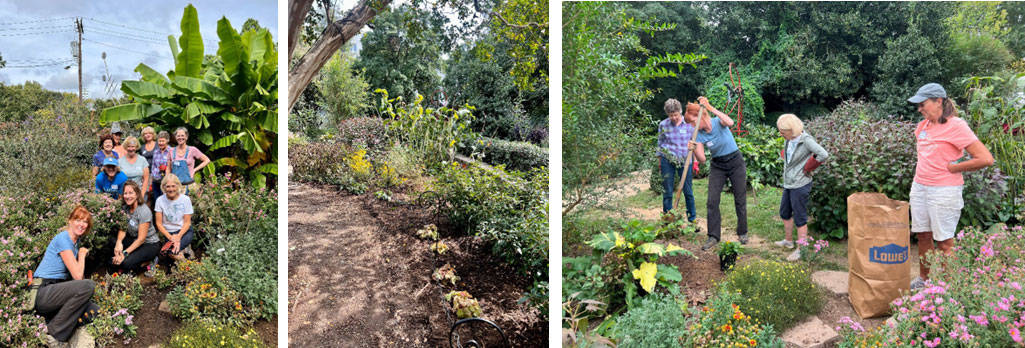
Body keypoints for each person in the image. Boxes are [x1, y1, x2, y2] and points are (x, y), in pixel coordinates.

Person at [906, 83, 993, 289]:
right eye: (918, 106)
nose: (920, 109)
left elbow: (985, 158)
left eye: (923, 104)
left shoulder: (957, 126)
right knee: (923, 235)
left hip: (943, 191)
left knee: (944, 242)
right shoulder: (923, 126)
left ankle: (946, 288)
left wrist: (956, 167)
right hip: (920, 188)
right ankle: (924, 280)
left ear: (939, 101)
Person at [32, 206, 100, 345]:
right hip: (43, 291)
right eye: (78, 220)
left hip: (56, 291)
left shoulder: (75, 243)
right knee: (88, 286)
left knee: (94, 310)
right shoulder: (63, 238)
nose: (82, 224)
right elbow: (77, 277)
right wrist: (81, 255)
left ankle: (56, 323)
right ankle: (53, 334)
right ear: (70, 220)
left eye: (85, 222)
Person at [689, 96, 749, 251]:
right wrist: (694, 148)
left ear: (700, 117)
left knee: (740, 198)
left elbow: (730, 122)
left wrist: (709, 107)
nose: (691, 126)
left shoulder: (717, 122)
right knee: (712, 201)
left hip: (735, 161)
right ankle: (713, 236)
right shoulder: (698, 135)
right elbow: (702, 159)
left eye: (691, 122)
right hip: (718, 165)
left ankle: (742, 232)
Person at [772, 114, 829, 261]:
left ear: (792, 130)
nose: (781, 134)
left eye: (783, 131)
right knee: (784, 212)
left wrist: (809, 167)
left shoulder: (806, 140)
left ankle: (801, 249)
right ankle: (789, 241)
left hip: (800, 183)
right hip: (789, 182)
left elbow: (823, 154)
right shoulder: (789, 139)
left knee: (800, 216)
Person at [657, 99, 698, 223]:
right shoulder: (663, 125)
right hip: (667, 160)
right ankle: (668, 219)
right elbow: (660, 144)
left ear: (680, 112)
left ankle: (692, 219)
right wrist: (660, 162)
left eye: (675, 114)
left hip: (685, 161)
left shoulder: (689, 125)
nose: (673, 117)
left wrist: (695, 161)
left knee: (688, 191)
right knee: (667, 191)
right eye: (671, 115)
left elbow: (695, 144)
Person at [111, 181, 160, 274]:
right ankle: (127, 260)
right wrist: (118, 243)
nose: (127, 196)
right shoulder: (125, 208)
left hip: (149, 244)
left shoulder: (143, 211)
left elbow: (141, 239)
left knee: (126, 263)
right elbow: (123, 228)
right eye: (125, 193)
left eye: (131, 193)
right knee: (112, 241)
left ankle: (150, 261)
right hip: (134, 240)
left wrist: (124, 253)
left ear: (137, 194)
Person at [155, 175, 195, 262]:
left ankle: (188, 268)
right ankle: (186, 259)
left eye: (173, 186)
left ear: (178, 186)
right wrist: (170, 237)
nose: (171, 189)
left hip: (184, 232)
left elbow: (187, 223)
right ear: (164, 187)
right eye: (168, 186)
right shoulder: (160, 200)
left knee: (173, 252)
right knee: (173, 252)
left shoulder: (185, 199)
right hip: (169, 233)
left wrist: (178, 237)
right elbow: (159, 223)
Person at [170, 127, 210, 194]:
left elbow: (207, 160)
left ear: (186, 137)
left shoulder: (192, 150)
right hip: (175, 186)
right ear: (175, 137)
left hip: (189, 185)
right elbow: (168, 167)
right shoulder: (171, 150)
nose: (180, 138)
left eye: (182, 135)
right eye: (178, 136)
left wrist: (194, 170)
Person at [118, 136, 150, 202]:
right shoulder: (120, 161)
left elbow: (146, 179)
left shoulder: (142, 160)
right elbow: (118, 180)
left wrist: (142, 194)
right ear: (125, 147)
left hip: (139, 193)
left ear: (136, 147)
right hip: (125, 195)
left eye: (133, 146)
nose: (131, 149)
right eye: (128, 146)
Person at [149, 131, 173, 205]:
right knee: (157, 202)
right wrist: (151, 182)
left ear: (167, 141)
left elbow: (174, 167)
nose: (161, 143)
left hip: (166, 182)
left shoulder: (171, 151)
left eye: (163, 141)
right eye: (159, 141)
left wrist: (166, 168)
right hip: (156, 181)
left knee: (167, 202)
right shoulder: (156, 152)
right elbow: (153, 166)